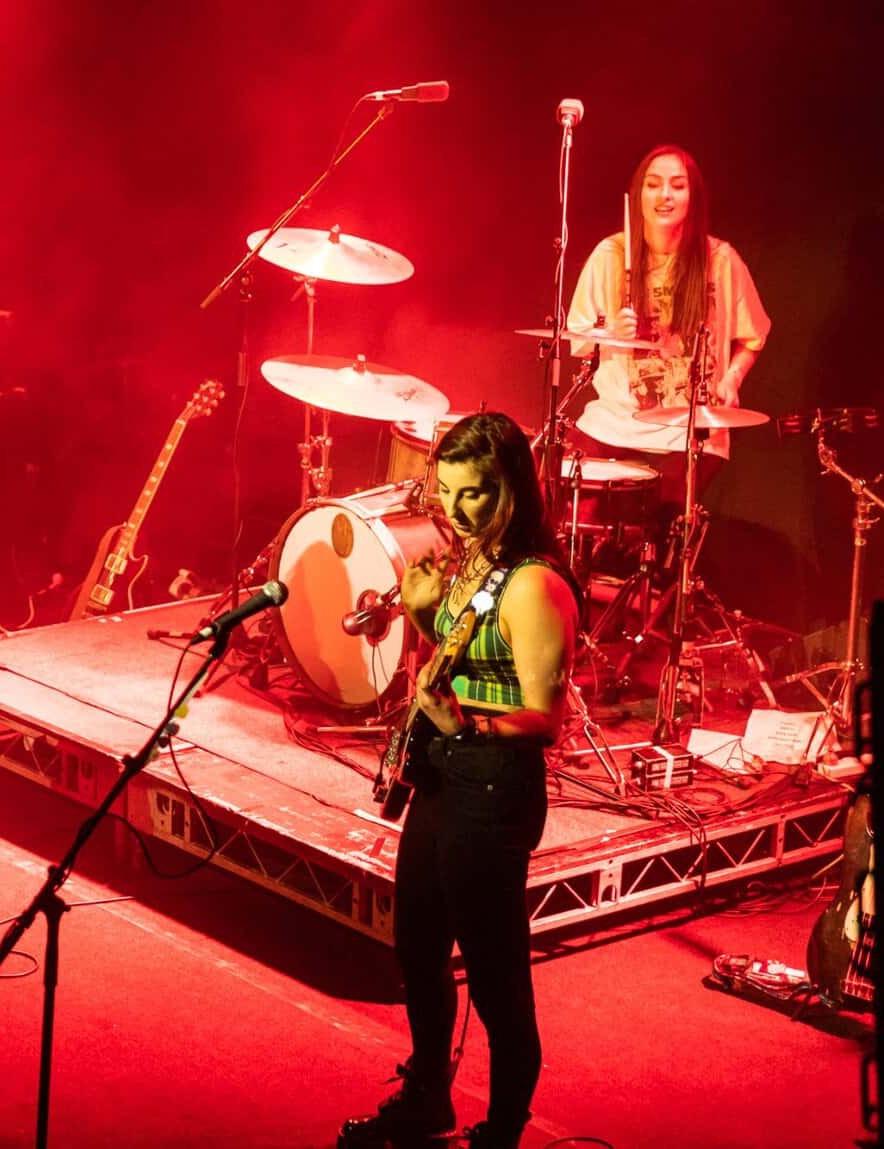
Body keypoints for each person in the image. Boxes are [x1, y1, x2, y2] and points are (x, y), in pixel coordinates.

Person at [337, 413, 581, 1149]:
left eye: (473, 493)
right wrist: (421, 615)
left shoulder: (534, 584)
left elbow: (546, 718)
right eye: (446, 491)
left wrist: (467, 722)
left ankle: (502, 1131)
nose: (455, 509)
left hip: (494, 785)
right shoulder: (476, 560)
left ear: (512, 488)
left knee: (495, 973)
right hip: (444, 773)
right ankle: (426, 1098)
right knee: (417, 946)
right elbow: (461, 660)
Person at [565, 145, 771, 510]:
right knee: (563, 496)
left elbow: (753, 337)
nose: (665, 195)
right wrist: (611, 333)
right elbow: (577, 340)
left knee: (659, 523)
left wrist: (732, 379)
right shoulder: (610, 255)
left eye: (677, 185)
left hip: (689, 432)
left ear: (694, 197)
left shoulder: (720, 260)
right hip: (614, 423)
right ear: (638, 195)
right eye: (653, 184)